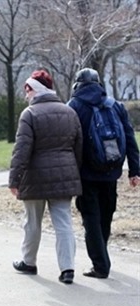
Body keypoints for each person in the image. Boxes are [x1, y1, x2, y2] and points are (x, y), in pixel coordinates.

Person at [9, 69, 83, 284]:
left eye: (27, 90)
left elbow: (21, 150)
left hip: (35, 177)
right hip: (65, 174)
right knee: (64, 222)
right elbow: (79, 147)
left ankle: (29, 261)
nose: (25, 95)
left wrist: (14, 179)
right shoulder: (69, 112)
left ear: (34, 89)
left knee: (32, 222)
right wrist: (73, 171)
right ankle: (67, 268)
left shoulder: (29, 114)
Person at [68, 68, 140, 279]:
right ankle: (102, 255)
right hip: (111, 171)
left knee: (91, 218)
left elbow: (70, 141)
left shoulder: (74, 106)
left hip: (86, 174)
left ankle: (100, 265)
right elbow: (130, 139)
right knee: (106, 216)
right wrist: (134, 170)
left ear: (78, 84)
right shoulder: (115, 105)